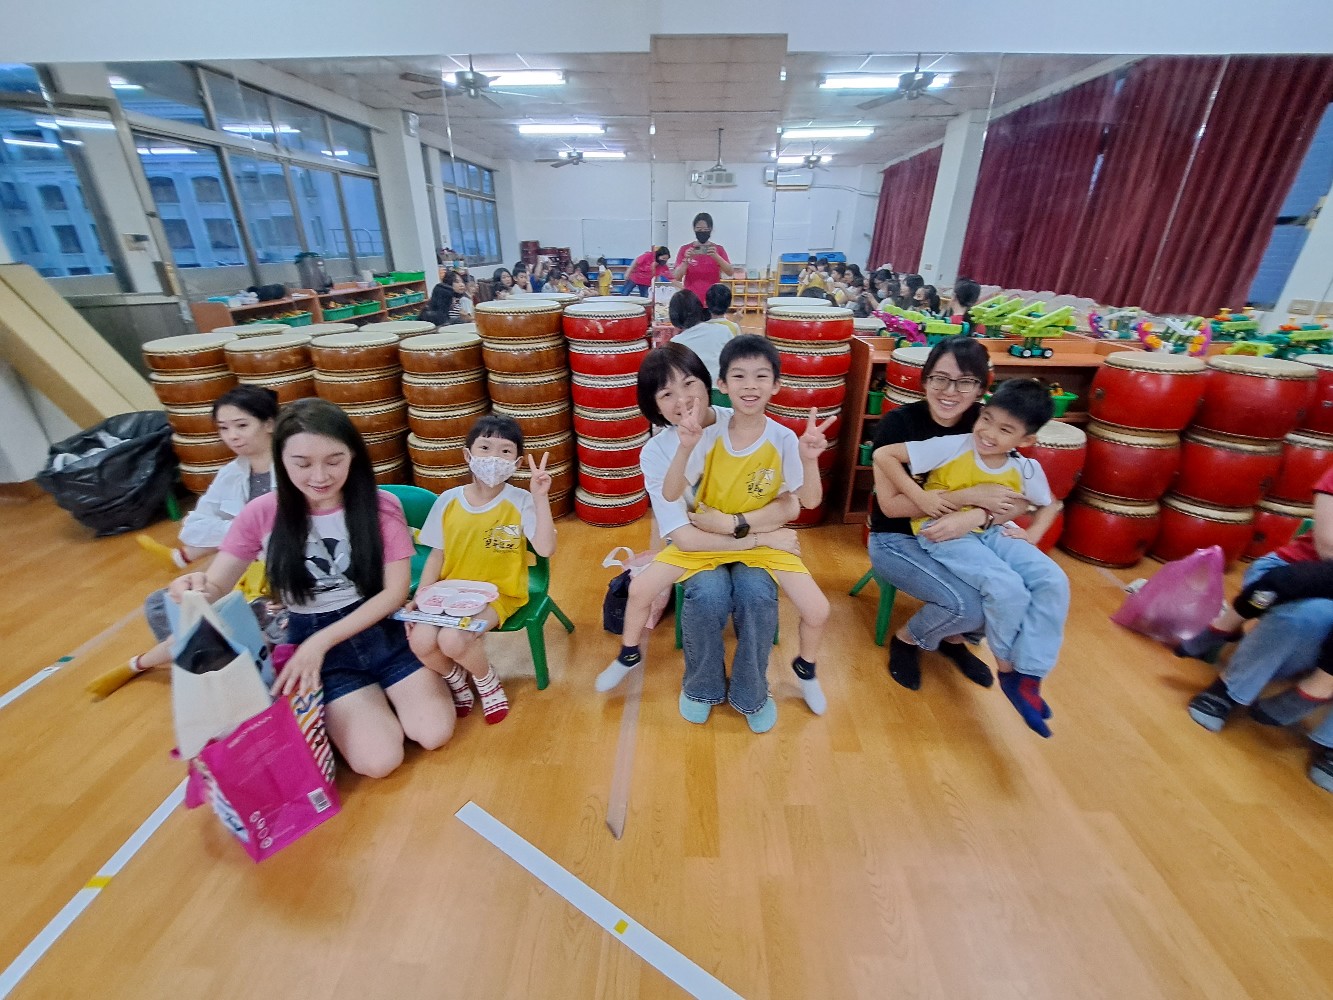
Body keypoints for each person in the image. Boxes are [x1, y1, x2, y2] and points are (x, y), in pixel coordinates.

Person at [167, 398, 456, 777]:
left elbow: (393, 594)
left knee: (434, 733)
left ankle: (380, 699)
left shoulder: (380, 506)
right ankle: (359, 704)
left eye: (334, 460)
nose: (320, 476)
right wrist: (195, 586)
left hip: (378, 628)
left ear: (353, 455)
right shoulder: (261, 513)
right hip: (313, 638)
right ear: (281, 460)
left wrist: (319, 644)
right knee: (379, 761)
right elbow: (218, 583)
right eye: (302, 464)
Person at [599, 336, 834, 730]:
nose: (682, 400)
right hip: (704, 543)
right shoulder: (668, 448)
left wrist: (807, 461)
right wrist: (758, 534)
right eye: (666, 393)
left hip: (749, 539)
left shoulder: (745, 427)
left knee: (777, 599)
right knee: (683, 593)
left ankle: (782, 679)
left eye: (689, 383)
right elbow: (681, 521)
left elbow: (797, 503)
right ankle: (650, 664)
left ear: (710, 384)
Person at [874, 379, 1068, 737]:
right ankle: (1008, 668)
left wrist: (1032, 536)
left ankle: (1031, 674)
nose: (989, 433)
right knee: (1006, 587)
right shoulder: (952, 446)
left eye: (1005, 429)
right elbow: (884, 455)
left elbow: (1049, 503)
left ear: (1026, 440)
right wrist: (924, 498)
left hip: (990, 531)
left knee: (1054, 580)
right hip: (943, 532)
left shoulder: (1024, 467)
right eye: (986, 419)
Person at [96, 386, 281, 700]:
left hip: (279, 580)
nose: (232, 436)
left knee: (253, 619)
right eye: (224, 428)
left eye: (241, 425)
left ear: (269, 423)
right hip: (243, 571)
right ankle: (197, 662)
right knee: (162, 603)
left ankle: (148, 661)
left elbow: (285, 533)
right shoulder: (232, 473)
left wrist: (243, 533)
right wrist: (245, 529)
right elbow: (194, 529)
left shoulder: (293, 468)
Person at [866, 337, 1029, 693]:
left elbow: (1016, 500)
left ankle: (953, 639)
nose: (950, 391)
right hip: (896, 537)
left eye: (965, 381)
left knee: (1020, 591)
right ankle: (907, 639)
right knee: (968, 606)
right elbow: (891, 508)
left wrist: (977, 516)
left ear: (981, 388)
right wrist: (965, 497)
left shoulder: (986, 425)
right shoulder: (899, 424)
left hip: (967, 535)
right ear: (925, 380)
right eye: (940, 378)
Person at [407, 414, 556, 725]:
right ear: (468, 455)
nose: (493, 458)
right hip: (448, 593)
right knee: (420, 641)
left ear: (516, 463)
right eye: (485, 448)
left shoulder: (521, 500)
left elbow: (545, 549)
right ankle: (457, 679)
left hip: (498, 595)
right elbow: (436, 555)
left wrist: (540, 498)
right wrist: (421, 596)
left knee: (452, 640)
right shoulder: (448, 500)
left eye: (505, 451)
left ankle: (486, 681)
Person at [1185, 466, 1333, 748]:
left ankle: (1329, 734)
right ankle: (1229, 687)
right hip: (1298, 572)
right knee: (1306, 616)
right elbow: (1329, 549)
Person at [666, 289, 732, 384]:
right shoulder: (723, 330)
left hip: (697, 389)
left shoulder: (675, 343)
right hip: (723, 387)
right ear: (699, 308)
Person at [673, 212, 734, 301]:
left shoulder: (718, 249)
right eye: (699, 229)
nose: (702, 232)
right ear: (694, 229)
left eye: (705, 229)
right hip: (691, 299)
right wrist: (686, 260)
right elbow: (677, 277)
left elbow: (730, 272)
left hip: (712, 299)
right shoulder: (685, 249)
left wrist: (716, 257)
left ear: (711, 229)